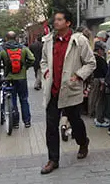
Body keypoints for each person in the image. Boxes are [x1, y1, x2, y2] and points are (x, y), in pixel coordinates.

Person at [40, 10, 96, 175]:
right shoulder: (49, 40)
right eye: (55, 19)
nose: (55, 22)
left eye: (59, 19)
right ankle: (53, 159)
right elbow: (43, 61)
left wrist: (78, 76)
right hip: (53, 90)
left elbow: (91, 63)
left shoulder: (79, 41)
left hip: (71, 89)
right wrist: (46, 73)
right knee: (51, 126)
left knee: (75, 121)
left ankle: (83, 142)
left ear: (68, 22)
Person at [0, 31, 35, 129]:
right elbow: (32, 59)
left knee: (13, 100)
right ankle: (27, 121)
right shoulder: (23, 48)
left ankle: (15, 122)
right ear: (16, 38)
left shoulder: (2, 49)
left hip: (9, 78)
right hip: (22, 78)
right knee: (24, 99)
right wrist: (25, 67)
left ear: (6, 38)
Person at [89, 40, 109, 127]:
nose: (104, 51)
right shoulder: (100, 59)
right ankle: (99, 119)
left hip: (94, 80)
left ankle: (96, 116)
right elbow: (106, 71)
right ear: (99, 50)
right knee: (100, 100)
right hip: (100, 82)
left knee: (94, 98)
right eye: (103, 49)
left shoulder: (91, 58)